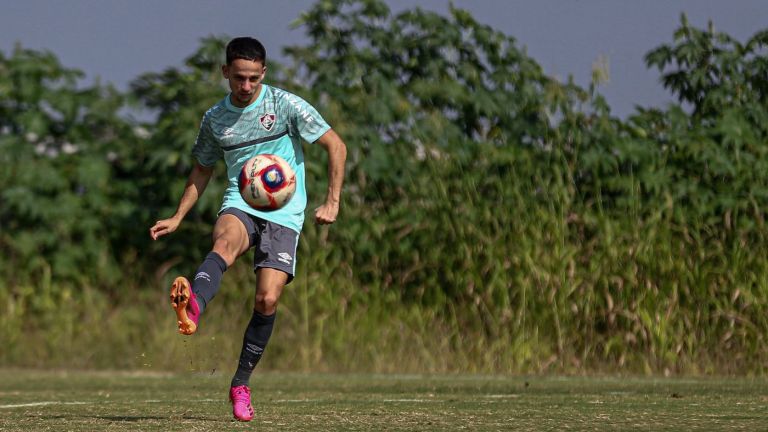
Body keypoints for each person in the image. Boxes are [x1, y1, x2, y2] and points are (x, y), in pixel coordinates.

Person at [149, 37, 347, 422]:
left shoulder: (285, 105)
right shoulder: (215, 119)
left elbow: (335, 145)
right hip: (240, 202)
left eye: (253, 78)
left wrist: (333, 201)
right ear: (225, 72)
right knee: (224, 241)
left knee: (267, 301)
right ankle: (193, 306)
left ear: (264, 74)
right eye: (238, 78)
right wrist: (177, 216)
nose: (246, 86)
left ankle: (241, 383)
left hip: (285, 214)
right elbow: (202, 169)